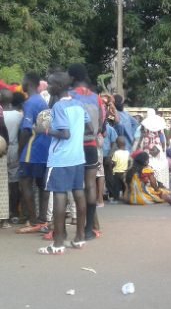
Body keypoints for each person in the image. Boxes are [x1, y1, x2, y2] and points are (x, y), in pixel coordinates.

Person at [38, 71, 90, 254]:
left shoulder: (58, 107)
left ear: (58, 87)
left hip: (61, 158)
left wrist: (45, 130)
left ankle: (58, 243)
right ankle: (80, 238)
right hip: (77, 157)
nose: (48, 86)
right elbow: (88, 124)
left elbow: (64, 134)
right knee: (79, 194)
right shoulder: (78, 103)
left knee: (59, 195)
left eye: (50, 84)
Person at [68, 64, 105, 241]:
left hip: (74, 146)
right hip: (91, 146)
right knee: (90, 185)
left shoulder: (69, 96)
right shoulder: (96, 98)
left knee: (77, 187)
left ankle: (78, 229)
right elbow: (102, 121)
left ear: (72, 78)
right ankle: (89, 229)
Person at [15, 72, 52, 233]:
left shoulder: (29, 103)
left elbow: (26, 131)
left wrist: (19, 151)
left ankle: (33, 220)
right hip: (44, 149)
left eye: (23, 81)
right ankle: (43, 220)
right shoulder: (42, 101)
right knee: (42, 185)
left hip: (32, 150)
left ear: (28, 83)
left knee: (25, 183)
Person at [1, 90, 22, 225]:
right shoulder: (19, 115)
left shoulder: (2, 114)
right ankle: (14, 211)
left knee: (3, 183)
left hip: (2, 149)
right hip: (14, 148)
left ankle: (4, 213)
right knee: (14, 183)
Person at [111, 136, 129, 201]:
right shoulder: (127, 153)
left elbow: (114, 163)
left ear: (117, 144)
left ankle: (116, 198)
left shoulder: (116, 153)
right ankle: (125, 197)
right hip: (125, 172)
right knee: (124, 186)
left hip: (117, 172)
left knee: (116, 186)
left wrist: (111, 166)